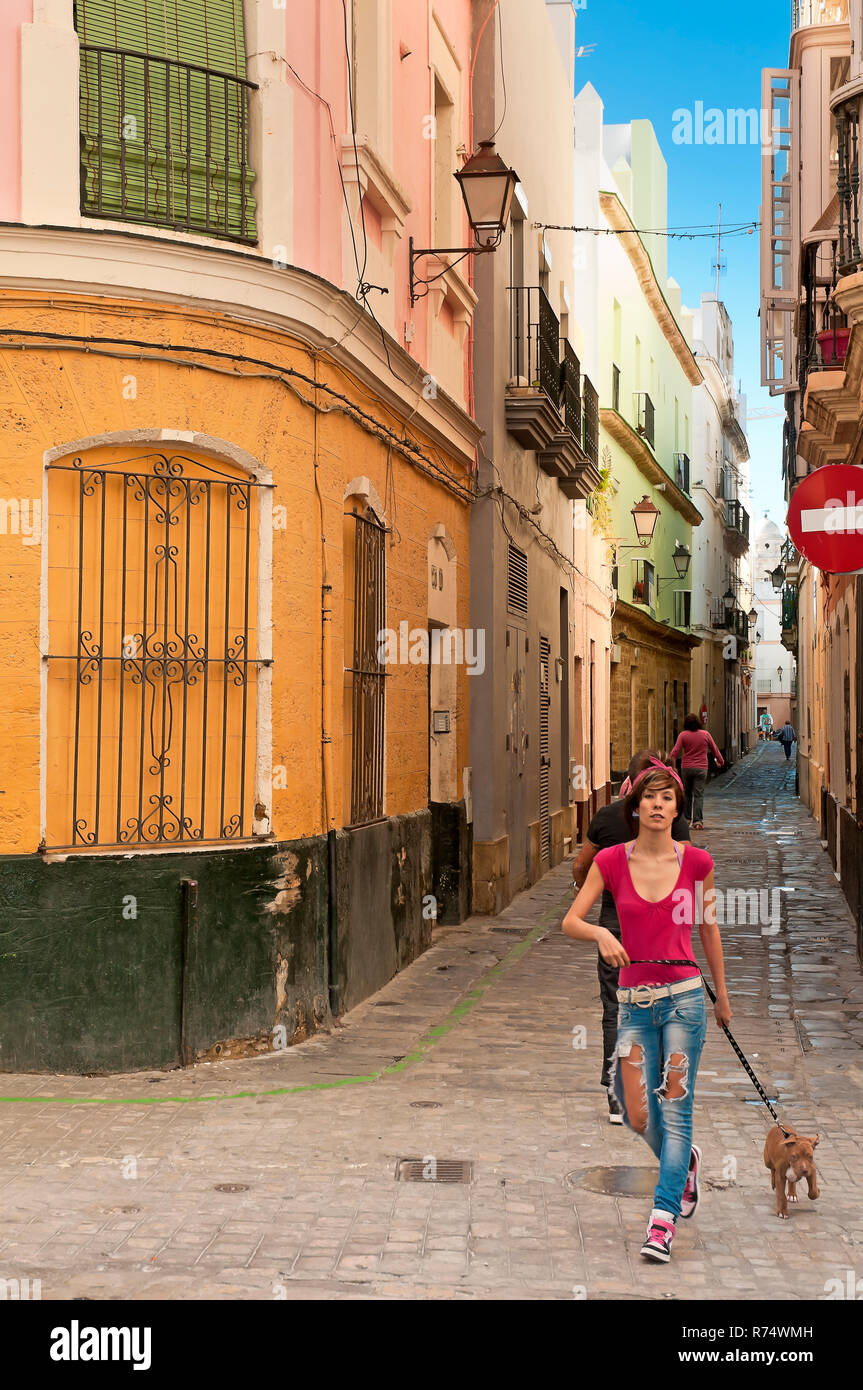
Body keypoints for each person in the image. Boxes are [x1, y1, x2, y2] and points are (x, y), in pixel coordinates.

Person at [562, 760, 731, 1264]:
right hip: (634, 1002)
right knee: (636, 1112)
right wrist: (601, 932)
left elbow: (708, 930)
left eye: (668, 798)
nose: (658, 805)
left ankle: (662, 1221)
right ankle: (685, 1165)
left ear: (677, 809)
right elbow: (572, 919)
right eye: (650, 797)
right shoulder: (611, 861)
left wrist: (721, 995)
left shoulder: (698, 863)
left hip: (683, 997)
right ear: (634, 806)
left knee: (676, 1111)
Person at [572, 750, 691, 1125]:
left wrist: (598, 889)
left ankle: (617, 1097)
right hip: (659, 930)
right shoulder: (676, 822)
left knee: (615, 1009)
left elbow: (581, 867)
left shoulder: (606, 817)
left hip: (615, 923)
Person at [669, 714, 724, 829]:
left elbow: (674, 752)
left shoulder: (683, 735)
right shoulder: (705, 734)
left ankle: (686, 819)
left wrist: (671, 766)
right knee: (698, 795)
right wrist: (721, 761)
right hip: (701, 768)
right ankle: (697, 821)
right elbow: (715, 749)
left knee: (687, 794)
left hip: (687, 768)